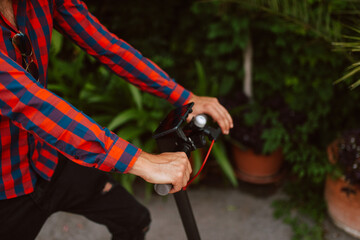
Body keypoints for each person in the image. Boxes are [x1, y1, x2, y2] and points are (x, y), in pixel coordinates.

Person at [0, 0, 233, 239]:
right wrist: (142, 162)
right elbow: (31, 103)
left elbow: (104, 44)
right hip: (5, 187)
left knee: (134, 221)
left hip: (45, 159)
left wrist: (185, 97)